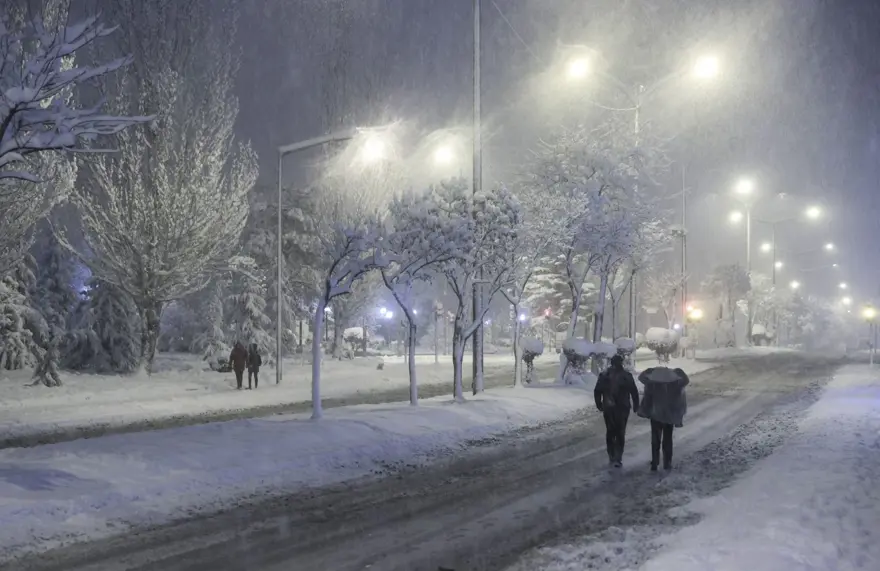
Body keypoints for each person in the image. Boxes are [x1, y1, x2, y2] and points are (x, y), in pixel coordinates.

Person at [637, 367, 689, 471]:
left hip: (656, 415)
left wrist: (648, 371)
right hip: (669, 416)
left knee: (655, 440)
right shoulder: (675, 384)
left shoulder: (653, 384)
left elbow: (641, 378)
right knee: (667, 440)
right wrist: (679, 371)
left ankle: (655, 462)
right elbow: (686, 381)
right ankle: (667, 463)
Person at [594, 354, 640, 468]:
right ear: (621, 362)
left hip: (608, 407)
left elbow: (597, 391)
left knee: (610, 431)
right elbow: (634, 392)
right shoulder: (627, 376)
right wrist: (636, 405)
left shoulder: (604, 375)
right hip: (623, 408)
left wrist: (599, 404)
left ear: (611, 363)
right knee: (620, 432)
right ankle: (618, 457)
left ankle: (612, 455)